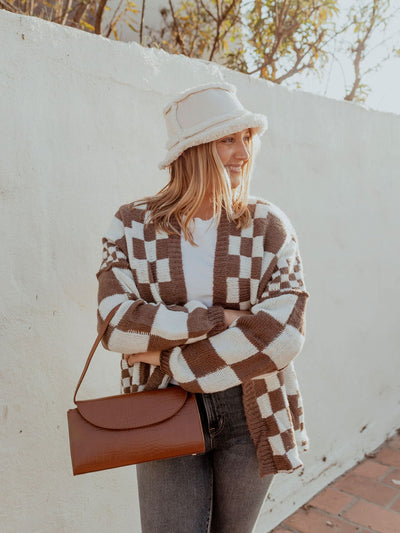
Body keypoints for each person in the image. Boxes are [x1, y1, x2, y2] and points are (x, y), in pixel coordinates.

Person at [96, 83, 309, 533]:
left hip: (252, 404)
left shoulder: (269, 224)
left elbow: (286, 332)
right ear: (192, 149)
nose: (243, 153)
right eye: (228, 139)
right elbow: (115, 323)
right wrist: (218, 319)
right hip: (162, 403)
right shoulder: (131, 224)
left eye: (247, 138)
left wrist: (170, 355)